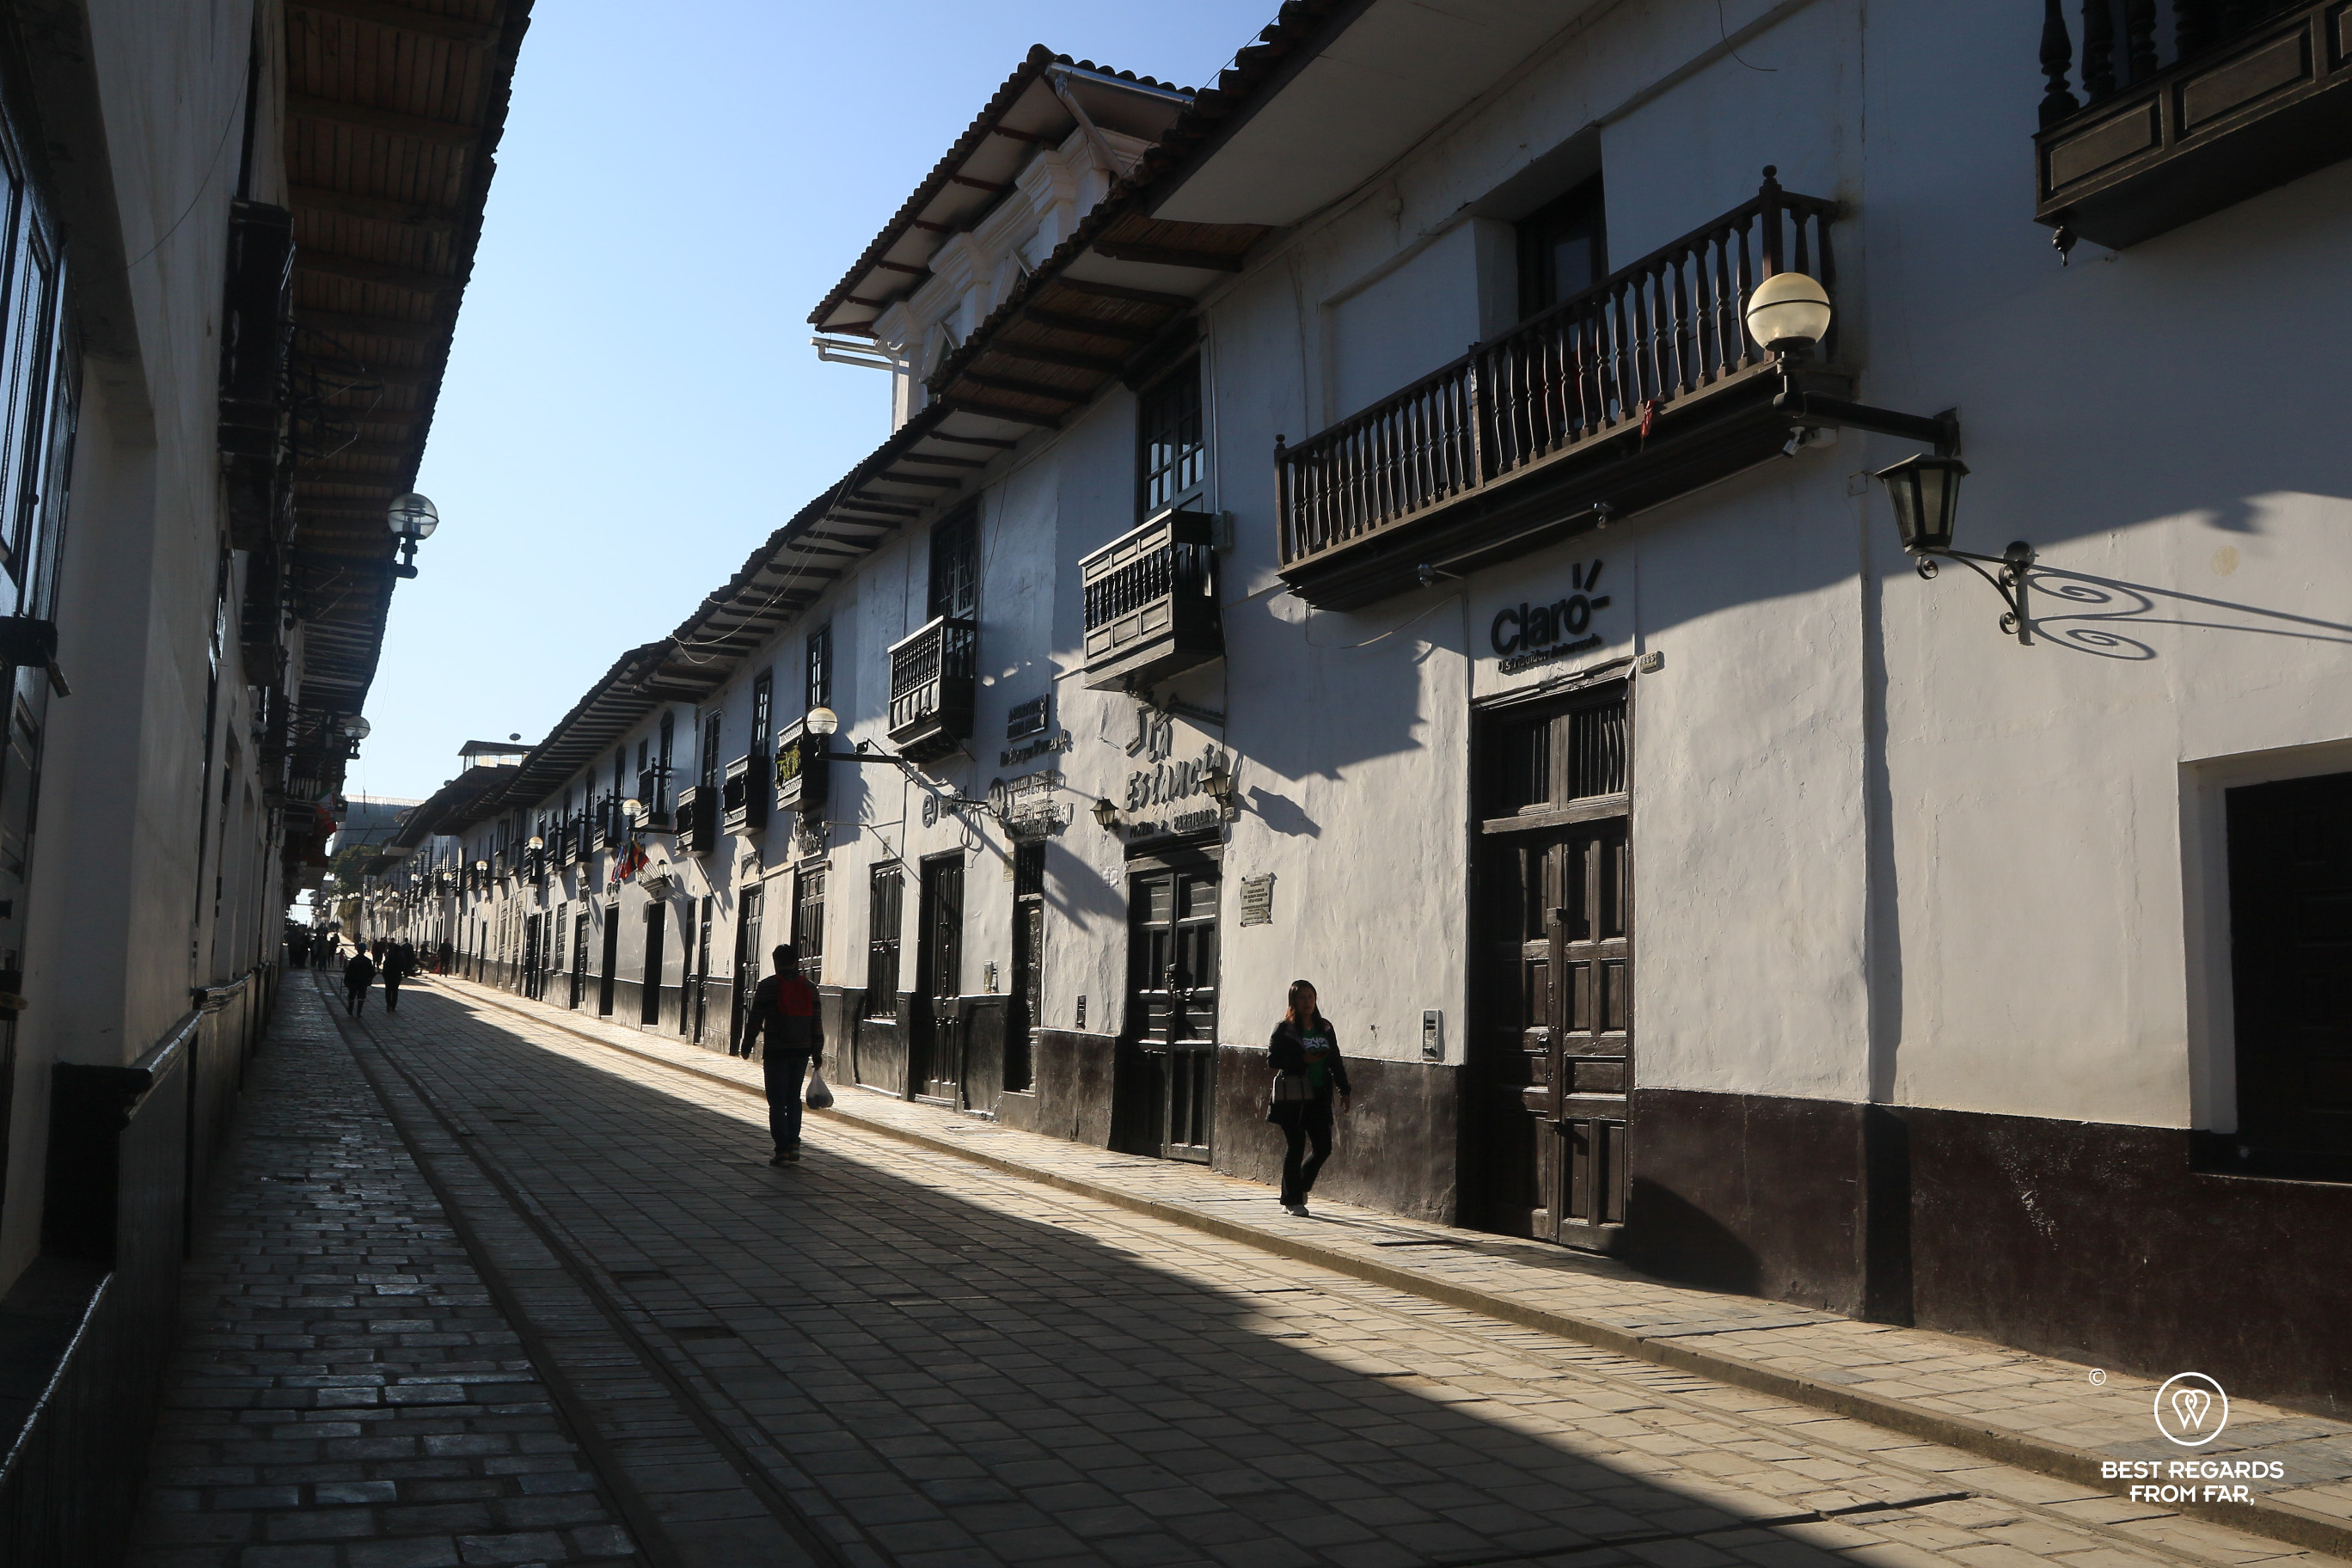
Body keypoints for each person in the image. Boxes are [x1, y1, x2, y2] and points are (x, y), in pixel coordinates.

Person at [1267, 978, 1351, 1217]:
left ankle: (1298, 1187)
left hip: (1319, 1095)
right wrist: (1302, 1061)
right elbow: (1272, 1060)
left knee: (1323, 1147)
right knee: (1295, 1146)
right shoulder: (1285, 1029)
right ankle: (1293, 1201)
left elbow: (1334, 1059)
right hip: (1292, 1095)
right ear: (1293, 1001)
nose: (1307, 1002)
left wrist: (1345, 1090)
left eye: (1311, 997)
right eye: (1302, 998)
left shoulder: (1325, 1028)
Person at [740, 944, 823, 1167]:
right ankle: (794, 1143)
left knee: (776, 1102)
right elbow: (817, 1021)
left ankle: (782, 1150)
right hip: (801, 1050)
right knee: (793, 1099)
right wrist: (817, 1052)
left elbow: (756, 1018)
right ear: (796, 962)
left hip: (776, 1051)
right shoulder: (810, 987)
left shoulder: (768, 986)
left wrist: (747, 1045)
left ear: (775, 962)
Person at [343, 947, 377, 1015]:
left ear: (358, 951)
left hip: (353, 981)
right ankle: (359, 1012)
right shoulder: (367, 961)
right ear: (364, 951)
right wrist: (370, 979)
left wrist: (346, 980)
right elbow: (372, 972)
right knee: (361, 996)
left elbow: (348, 971)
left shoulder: (353, 960)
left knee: (352, 995)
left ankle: (350, 1009)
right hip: (363, 981)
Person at [381, 940, 409, 1014]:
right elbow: (403, 968)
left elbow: (385, 969)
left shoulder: (389, 958)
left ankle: (388, 1005)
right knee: (395, 991)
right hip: (396, 976)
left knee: (388, 991)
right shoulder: (399, 958)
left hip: (388, 977)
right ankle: (393, 1006)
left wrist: (384, 976)